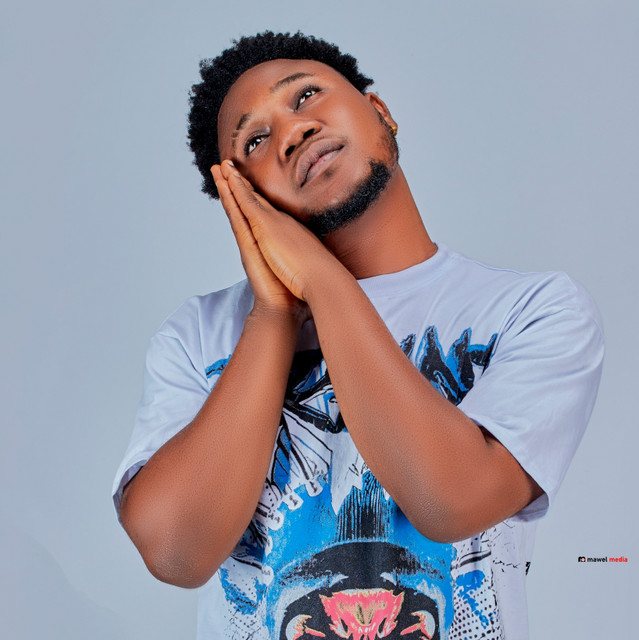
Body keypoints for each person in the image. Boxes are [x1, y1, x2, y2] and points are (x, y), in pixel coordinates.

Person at [113, 31, 604, 639]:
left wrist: (323, 282)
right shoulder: (198, 335)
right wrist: (274, 313)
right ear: (239, 197)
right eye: (255, 140)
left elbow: (452, 500)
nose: (294, 132)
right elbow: (176, 552)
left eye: (306, 96)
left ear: (380, 112)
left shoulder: (533, 311)